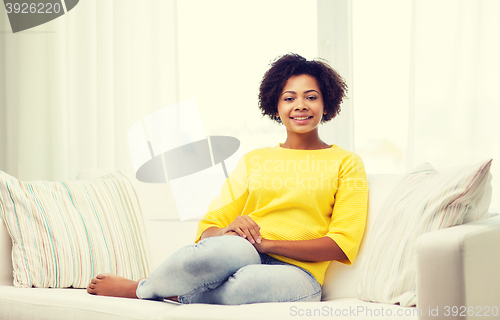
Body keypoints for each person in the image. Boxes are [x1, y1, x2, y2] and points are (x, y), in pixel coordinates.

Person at [87, 53, 368, 304]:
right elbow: (209, 229)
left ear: (326, 102)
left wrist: (267, 244)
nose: (300, 105)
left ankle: (150, 290)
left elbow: (342, 243)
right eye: (289, 98)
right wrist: (229, 230)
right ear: (276, 104)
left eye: (311, 96)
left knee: (243, 285)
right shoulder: (256, 159)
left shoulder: (346, 162)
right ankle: (153, 288)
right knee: (209, 254)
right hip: (246, 251)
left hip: (300, 273)